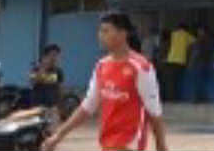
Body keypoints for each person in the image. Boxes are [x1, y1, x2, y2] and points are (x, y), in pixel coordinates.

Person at [42, 11, 168, 151]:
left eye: (106, 31)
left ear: (122, 34)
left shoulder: (141, 67)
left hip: (129, 143)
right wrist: (58, 135)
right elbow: (88, 106)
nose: (101, 35)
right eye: (100, 31)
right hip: (107, 142)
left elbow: (154, 110)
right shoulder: (101, 66)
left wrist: (161, 145)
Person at [162, 23, 194, 102]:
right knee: (177, 81)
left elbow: (166, 44)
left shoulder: (173, 34)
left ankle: (171, 98)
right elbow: (194, 44)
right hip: (182, 61)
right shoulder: (188, 36)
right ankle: (176, 97)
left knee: (170, 81)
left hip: (171, 60)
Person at [30, 44, 65, 110]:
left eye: (57, 55)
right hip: (38, 106)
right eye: (52, 55)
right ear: (45, 56)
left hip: (53, 106)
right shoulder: (36, 69)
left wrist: (60, 104)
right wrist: (44, 67)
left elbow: (60, 88)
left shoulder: (58, 71)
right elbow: (32, 82)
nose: (54, 58)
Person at [188, 27, 214, 104]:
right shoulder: (206, 42)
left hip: (200, 64)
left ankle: (198, 98)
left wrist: (191, 63)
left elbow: (194, 54)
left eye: (201, 31)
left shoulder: (198, 42)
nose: (200, 33)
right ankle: (201, 98)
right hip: (202, 64)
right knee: (201, 82)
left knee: (198, 82)